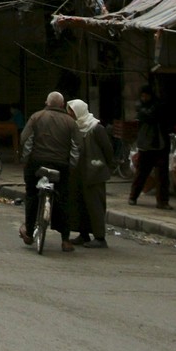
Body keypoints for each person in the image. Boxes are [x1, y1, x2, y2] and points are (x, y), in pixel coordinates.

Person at [20, 91, 81, 252]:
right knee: (63, 199)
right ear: (62, 105)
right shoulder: (71, 122)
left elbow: (26, 141)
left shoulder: (37, 117)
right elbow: (76, 148)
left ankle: (29, 231)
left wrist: (26, 161)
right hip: (61, 165)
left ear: (47, 103)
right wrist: (71, 166)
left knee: (32, 194)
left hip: (36, 163)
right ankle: (66, 240)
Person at [67, 98, 114, 248]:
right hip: (78, 173)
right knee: (80, 204)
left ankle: (100, 237)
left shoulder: (96, 128)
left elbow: (107, 150)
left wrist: (106, 167)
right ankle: (83, 234)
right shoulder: (75, 128)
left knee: (95, 206)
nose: (70, 115)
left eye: (72, 113)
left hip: (94, 174)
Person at [128, 83, 172, 209]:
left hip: (160, 144)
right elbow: (149, 116)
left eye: (146, 95)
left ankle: (162, 201)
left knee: (162, 176)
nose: (144, 98)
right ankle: (133, 196)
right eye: (142, 96)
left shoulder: (158, 106)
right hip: (146, 145)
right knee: (142, 173)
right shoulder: (141, 107)